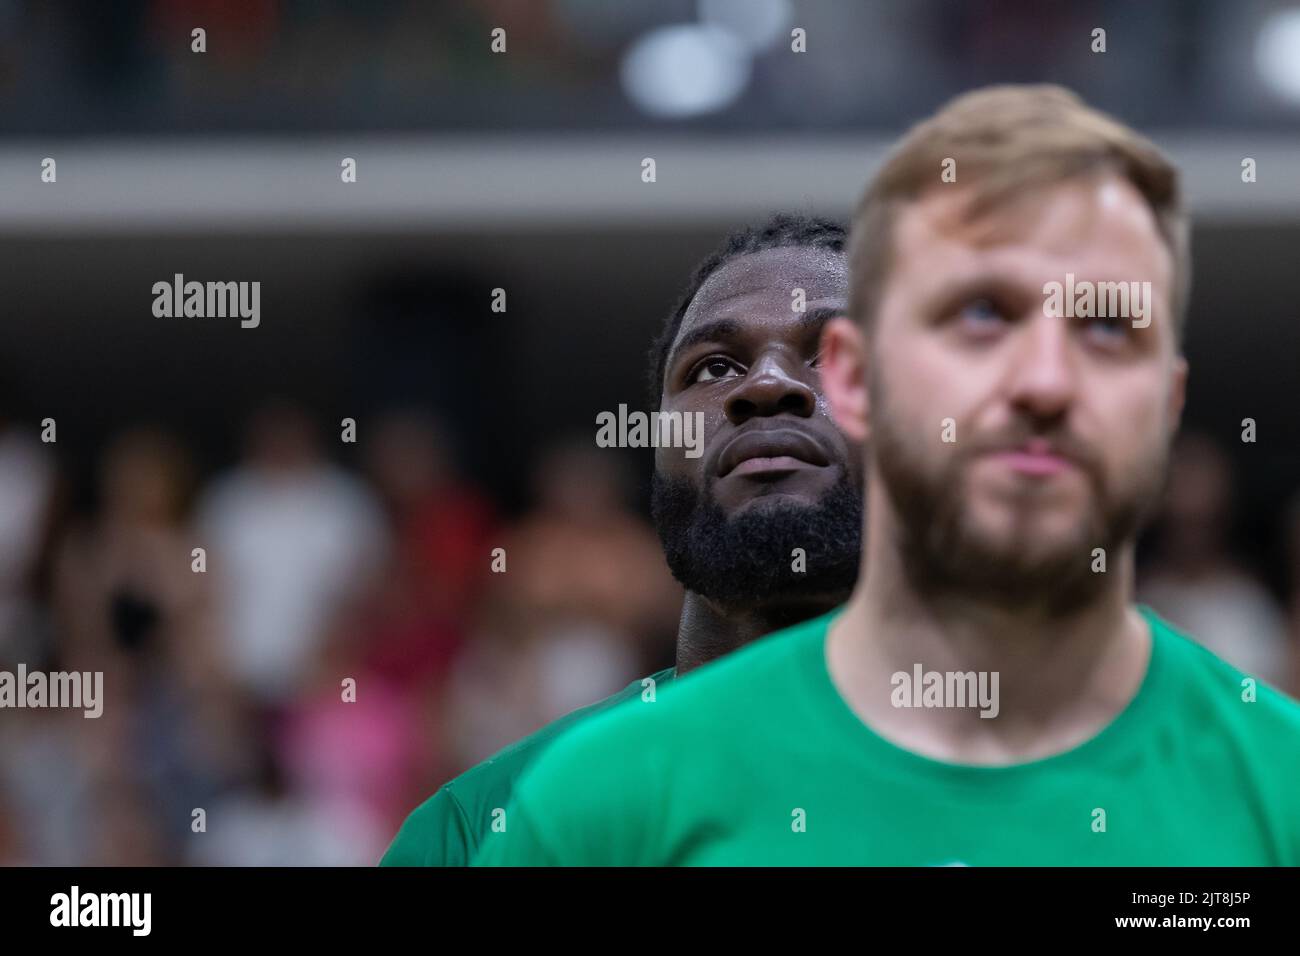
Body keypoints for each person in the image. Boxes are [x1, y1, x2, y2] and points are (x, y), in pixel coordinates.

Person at [475, 85, 1300, 866]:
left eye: (1107, 329)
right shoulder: (550, 811)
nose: (767, 386)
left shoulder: (1269, 783)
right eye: (715, 366)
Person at [381, 213, 864, 865]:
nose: (767, 385)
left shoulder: (1043, 785)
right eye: (715, 366)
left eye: (835, 354)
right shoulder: (482, 830)